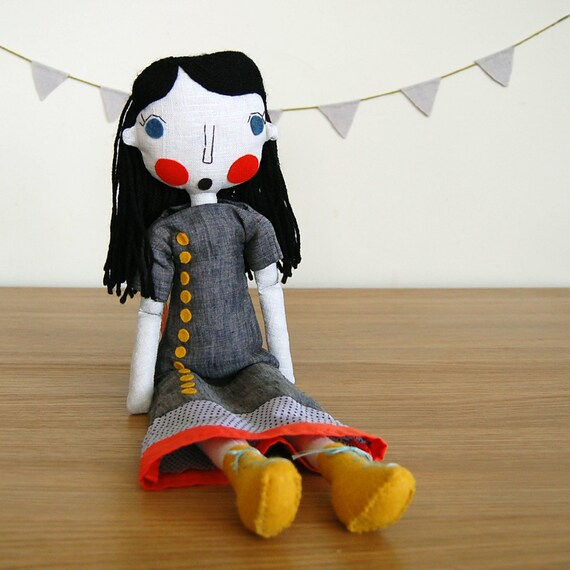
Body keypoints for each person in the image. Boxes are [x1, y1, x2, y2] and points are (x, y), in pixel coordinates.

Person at [104, 51, 415, 538]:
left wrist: (283, 369)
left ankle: (349, 470)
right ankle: (249, 471)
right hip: (183, 365)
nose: (208, 145)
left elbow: (271, 291)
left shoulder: (249, 222)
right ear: (136, 141)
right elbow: (151, 309)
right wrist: (142, 390)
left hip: (249, 358)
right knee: (196, 411)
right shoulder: (164, 234)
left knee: (282, 399)